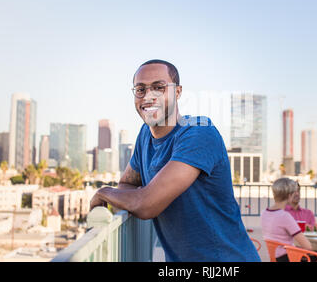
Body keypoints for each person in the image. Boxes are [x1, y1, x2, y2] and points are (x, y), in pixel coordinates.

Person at [89, 59, 261, 262]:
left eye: (159, 88)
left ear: (178, 92)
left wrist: (104, 193)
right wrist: (139, 196)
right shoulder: (145, 136)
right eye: (140, 89)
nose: (149, 96)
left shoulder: (199, 132)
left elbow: (147, 205)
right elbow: (128, 183)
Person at [261, 177, 312, 262]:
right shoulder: (284, 216)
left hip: (275, 258)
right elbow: (308, 246)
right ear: (289, 196)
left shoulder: (264, 213)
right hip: (289, 258)